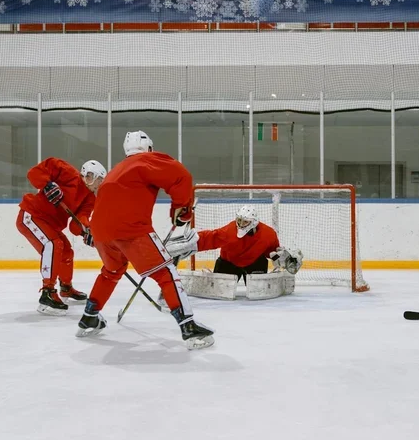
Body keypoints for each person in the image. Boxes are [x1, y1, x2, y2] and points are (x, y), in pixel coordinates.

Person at [80, 130, 215, 349]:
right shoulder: (148, 160)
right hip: (130, 228)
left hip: (100, 231)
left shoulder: (117, 169)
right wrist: (182, 209)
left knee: (111, 271)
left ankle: (89, 317)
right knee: (165, 271)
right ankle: (188, 326)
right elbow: (181, 176)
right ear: (149, 148)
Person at [17, 158, 106, 316]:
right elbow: (34, 173)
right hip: (32, 215)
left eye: (98, 180)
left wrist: (88, 231)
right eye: (92, 177)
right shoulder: (66, 171)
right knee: (53, 244)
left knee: (66, 251)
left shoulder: (90, 198)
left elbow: (77, 224)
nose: (94, 183)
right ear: (85, 173)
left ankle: (66, 288)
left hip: (50, 225)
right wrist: (47, 184)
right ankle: (48, 293)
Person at [165, 205, 303, 281]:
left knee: (257, 292)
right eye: (239, 220)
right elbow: (210, 238)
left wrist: (281, 258)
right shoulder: (229, 232)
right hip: (228, 263)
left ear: (254, 222)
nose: (241, 224)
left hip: (254, 263)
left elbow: (271, 251)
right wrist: (190, 243)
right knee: (219, 290)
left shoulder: (269, 234)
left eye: (245, 222)